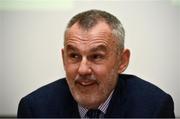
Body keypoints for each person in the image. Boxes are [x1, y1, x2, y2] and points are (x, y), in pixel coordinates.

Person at [17, 9, 175, 118]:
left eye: (96, 56)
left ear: (122, 61)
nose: (83, 69)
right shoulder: (35, 109)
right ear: (64, 59)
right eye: (74, 55)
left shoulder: (154, 108)